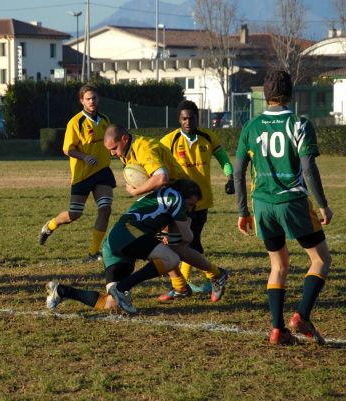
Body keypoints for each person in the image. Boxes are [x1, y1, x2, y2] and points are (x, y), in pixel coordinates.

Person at [234, 70, 332, 346]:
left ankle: (277, 329)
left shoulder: (251, 127)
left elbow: (238, 171)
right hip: (293, 202)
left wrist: (242, 211)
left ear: (265, 94)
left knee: (278, 265)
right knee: (321, 259)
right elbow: (308, 167)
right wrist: (323, 204)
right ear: (290, 93)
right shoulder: (299, 123)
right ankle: (301, 315)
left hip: (262, 205)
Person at [46, 179, 214, 313]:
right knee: (171, 258)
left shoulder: (162, 198)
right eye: (191, 204)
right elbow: (187, 236)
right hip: (127, 233)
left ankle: (62, 291)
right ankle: (122, 287)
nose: (190, 209)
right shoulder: (175, 197)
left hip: (114, 242)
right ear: (182, 195)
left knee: (110, 304)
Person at [104, 123, 228, 301]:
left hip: (180, 196)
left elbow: (161, 177)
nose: (113, 153)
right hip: (164, 198)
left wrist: (136, 191)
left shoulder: (143, 148)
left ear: (124, 139)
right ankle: (181, 287)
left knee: (177, 247)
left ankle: (216, 274)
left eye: (114, 148)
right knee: (164, 246)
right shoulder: (127, 150)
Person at [158, 100, 233, 300]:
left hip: (201, 201)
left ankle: (186, 284)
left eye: (191, 118)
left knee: (188, 243)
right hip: (177, 203)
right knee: (176, 242)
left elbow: (223, 159)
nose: (188, 122)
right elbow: (157, 161)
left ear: (197, 118)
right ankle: (189, 282)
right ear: (179, 120)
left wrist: (230, 175)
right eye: (184, 118)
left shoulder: (208, 137)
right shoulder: (169, 141)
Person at [39, 84, 115, 262]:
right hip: (82, 175)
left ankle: (93, 253)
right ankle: (50, 225)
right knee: (74, 215)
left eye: (94, 98)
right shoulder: (75, 122)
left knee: (105, 209)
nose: (92, 101)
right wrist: (84, 156)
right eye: (88, 99)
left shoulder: (105, 119)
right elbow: (67, 149)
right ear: (82, 101)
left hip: (102, 172)